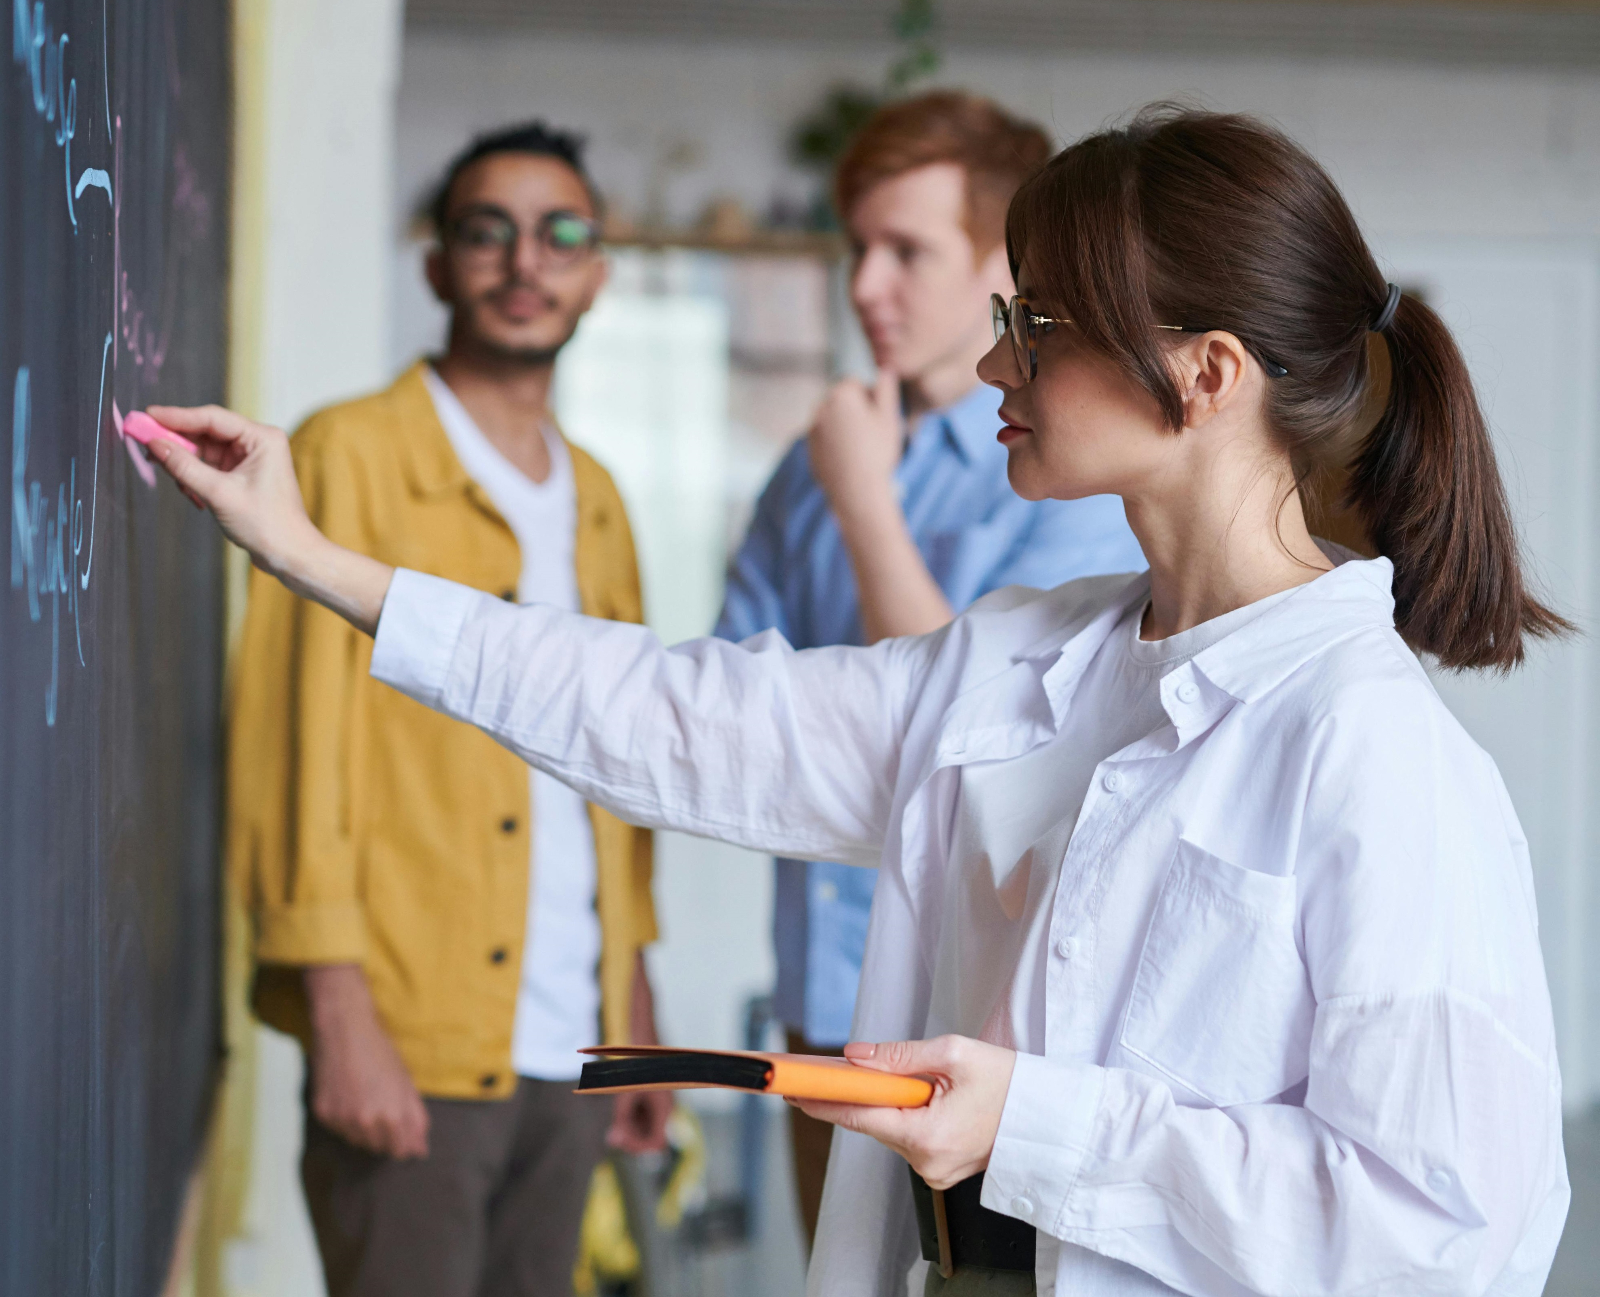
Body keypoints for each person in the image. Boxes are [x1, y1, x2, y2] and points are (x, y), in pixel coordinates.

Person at [153, 106, 1570, 1297]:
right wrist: (324, 560)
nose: (997, 360)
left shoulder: (1376, 757)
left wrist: (1041, 1123)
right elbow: (680, 715)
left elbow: (1444, 1227)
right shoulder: (1022, 658)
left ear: (1206, 374)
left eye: (1040, 322)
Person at [226, 121, 668, 1297]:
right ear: (436, 267)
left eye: (560, 234)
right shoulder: (349, 455)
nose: (526, 262)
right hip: (412, 1035)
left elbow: (614, 763)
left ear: (597, 275)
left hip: (574, 1048)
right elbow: (288, 743)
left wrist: (636, 997)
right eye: (489, 231)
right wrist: (338, 1014)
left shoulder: (603, 500)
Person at [716, 92, 1144, 1241]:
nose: (866, 285)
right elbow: (737, 714)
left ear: (999, 268)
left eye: (905, 250)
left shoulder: (1086, 476)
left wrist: (863, 500)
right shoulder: (807, 471)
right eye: (856, 247)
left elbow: (980, 732)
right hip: (824, 1002)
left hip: (993, 1025)